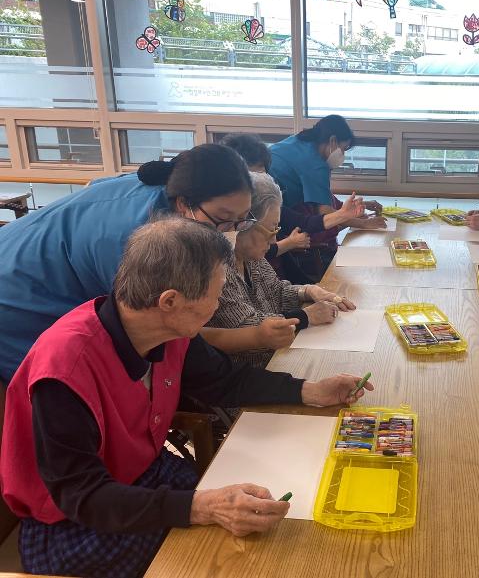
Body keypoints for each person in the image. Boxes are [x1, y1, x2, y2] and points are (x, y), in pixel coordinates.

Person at [0, 217, 373, 578]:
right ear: (170, 301)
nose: (217, 306)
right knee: (218, 558)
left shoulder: (166, 329)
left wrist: (310, 390)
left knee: (259, 534)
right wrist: (201, 507)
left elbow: (224, 381)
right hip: (76, 522)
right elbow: (82, 496)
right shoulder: (65, 370)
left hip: (145, 476)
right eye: (216, 294)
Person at [0, 144, 266, 384]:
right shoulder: (134, 238)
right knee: (55, 382)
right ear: (184, 204)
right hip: (17, 297)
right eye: (223, 218)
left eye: (241, 219)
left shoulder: (173, 198)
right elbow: (147, 327)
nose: (231, 230)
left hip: (41, 270)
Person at [204, 172, 356, 368]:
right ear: (241, 224)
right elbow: (245, 326)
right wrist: (307, 316)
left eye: (277, 229)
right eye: (271, 229)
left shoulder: (251, 257)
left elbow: (276, 291)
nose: (274, 240)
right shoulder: (217, 268)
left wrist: (309, 291)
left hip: (278, 357)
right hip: (249, 372)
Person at [268, 115, 386, 282]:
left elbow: (326, 203)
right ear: (332, 141)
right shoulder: (315, 163)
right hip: (273, 214)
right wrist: (365, 224)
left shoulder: (302, 142)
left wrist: (363, 206)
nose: (342, 155)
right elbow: (327, 214)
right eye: (343, 149)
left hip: (273, 206)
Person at [220, 133, 365, 261]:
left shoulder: (269, 202)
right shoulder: (225, 231)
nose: (272, 240)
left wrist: (343, 215)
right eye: (253, 178)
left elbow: (304, 222)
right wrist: (289, 243)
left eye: (263, 176)